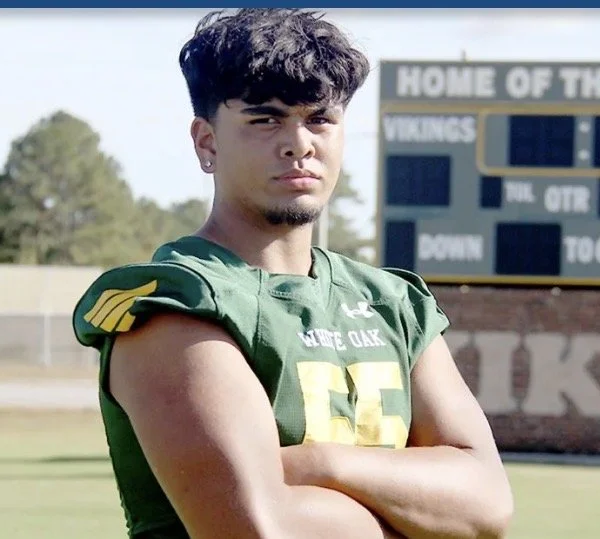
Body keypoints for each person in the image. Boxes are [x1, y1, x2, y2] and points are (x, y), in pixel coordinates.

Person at [72, 8, 514, 539]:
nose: (299, 143)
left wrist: (320, 464)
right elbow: (259, 529)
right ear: (207, 142)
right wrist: (421, 520)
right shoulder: (176, 303)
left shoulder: (391, 302)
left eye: (319, 119)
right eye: (265, 119)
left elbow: (488, 505)